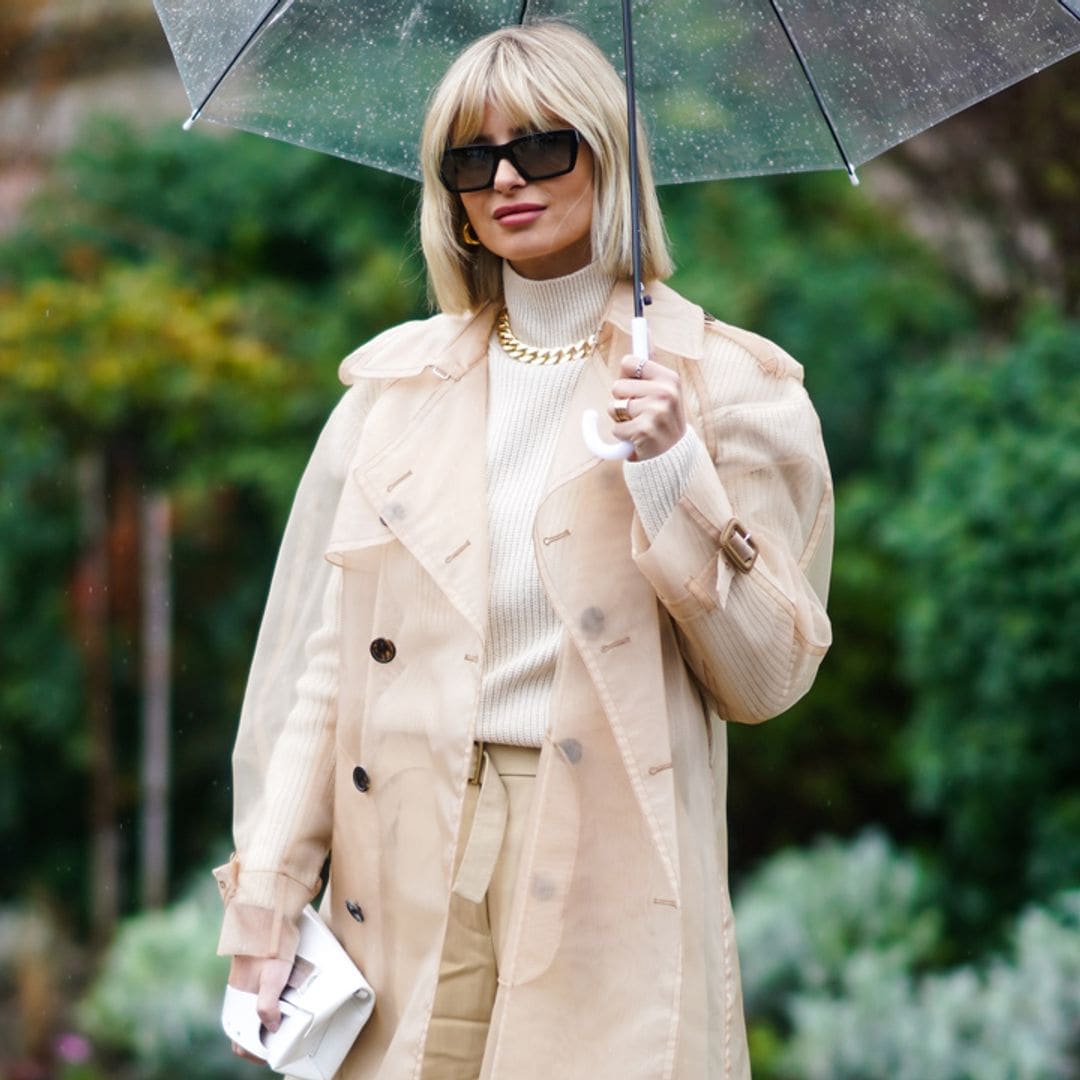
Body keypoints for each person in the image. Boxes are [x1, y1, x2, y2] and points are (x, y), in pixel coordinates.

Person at [215, 20, 833, 1080]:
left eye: (543, 146)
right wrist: (267, 903)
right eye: (471, 157)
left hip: (604, 854)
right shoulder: (394, 396)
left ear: (607, 153)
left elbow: (767, 677)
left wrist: (676, 472)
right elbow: (326, 673)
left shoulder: (729, 387)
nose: (506, 177)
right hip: (403, 850)